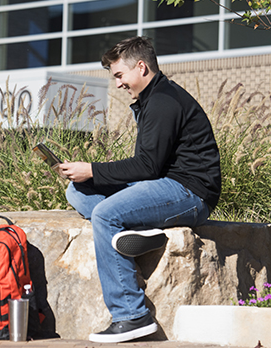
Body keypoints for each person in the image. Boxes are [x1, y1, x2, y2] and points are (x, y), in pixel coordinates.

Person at [58, 36, 220, 343]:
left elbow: (147, 166)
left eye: (119, 75)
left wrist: (92, 169)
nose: (118, 84)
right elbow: (149, 168)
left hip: (190, 193)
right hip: (163, 184)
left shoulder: (163, 101)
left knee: (105, 214)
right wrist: (87, 176)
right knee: (77, 192)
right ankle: (140, 231)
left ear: (141, 67)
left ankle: (132, 316)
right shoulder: (152, 98)